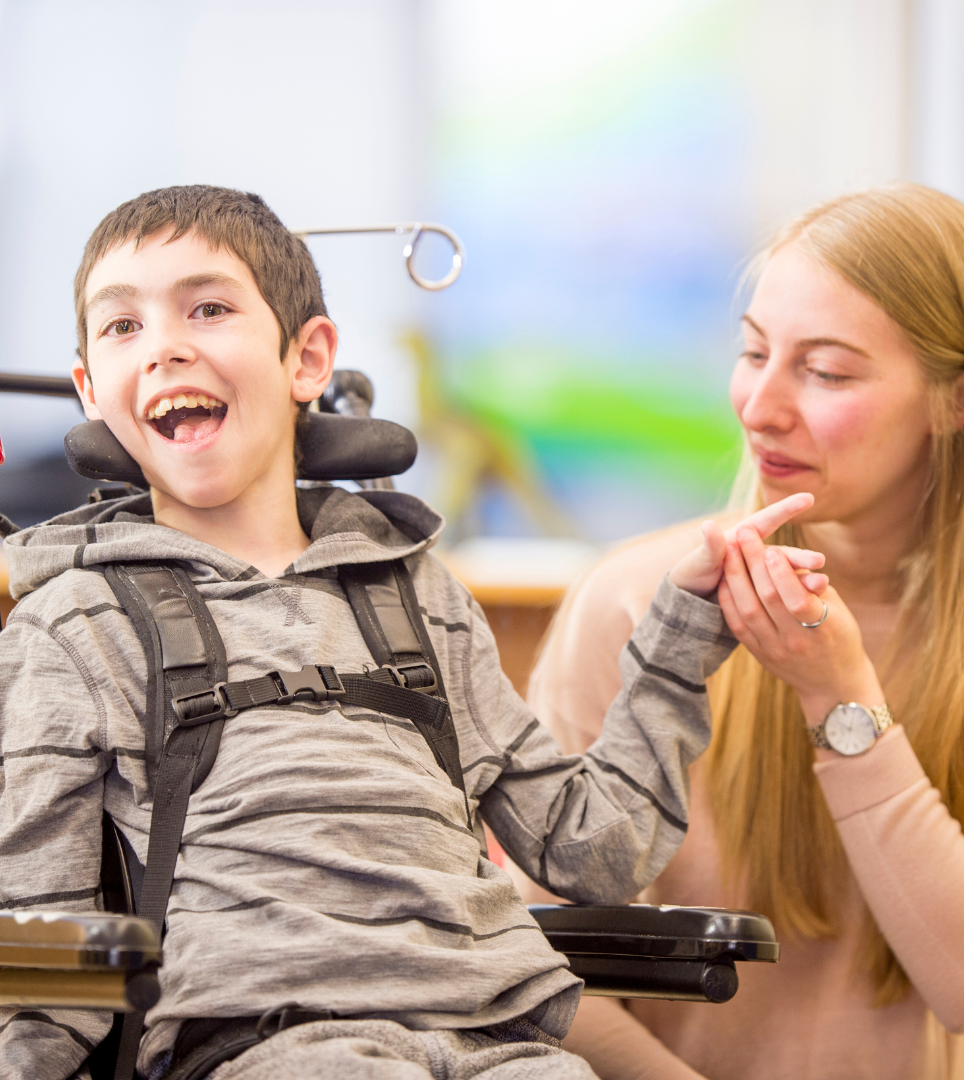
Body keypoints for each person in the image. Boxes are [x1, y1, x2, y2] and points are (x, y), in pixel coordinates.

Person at [0, 185, 821, 1080]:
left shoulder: (419, 598)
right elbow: (40, 957)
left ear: (307, 358)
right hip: (271, 1044)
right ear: (91, 391)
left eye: (208, 307)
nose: (164, 346)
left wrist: (681, 636)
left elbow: (595, 848)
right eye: (122, 327)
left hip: (502, 1039)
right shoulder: (71, 626)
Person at [516, 184, 964, 1080]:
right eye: (753, 352)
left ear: (960, 398)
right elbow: (528, 964)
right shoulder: (631, 601)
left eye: (825, 371)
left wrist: (839, 695)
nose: (760, 406)